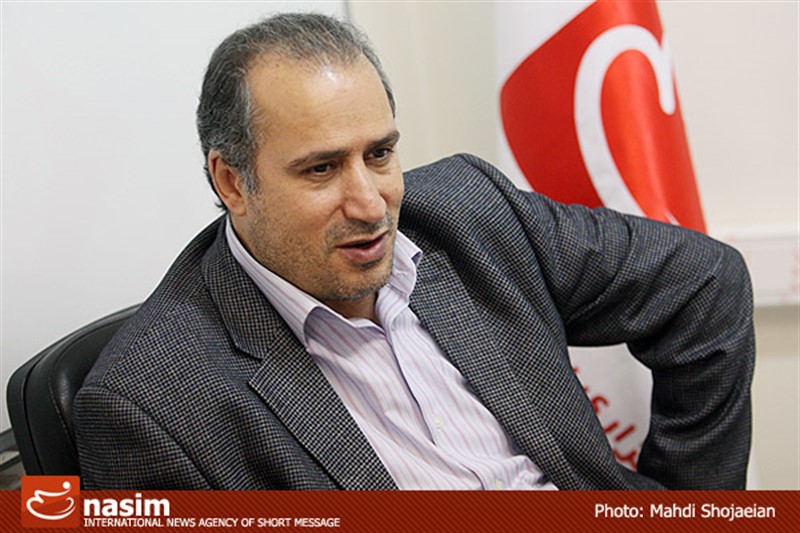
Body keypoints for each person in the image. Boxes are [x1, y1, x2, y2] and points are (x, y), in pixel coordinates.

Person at [73, 12, 755, 490]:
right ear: (232, 182)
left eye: (379, 154)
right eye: (321, 169)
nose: (370, 204)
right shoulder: (149, 404)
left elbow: (707, 283)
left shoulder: (466, 213)